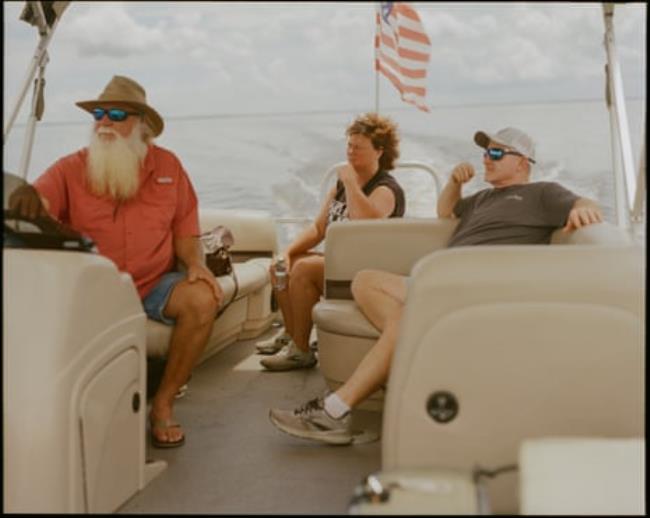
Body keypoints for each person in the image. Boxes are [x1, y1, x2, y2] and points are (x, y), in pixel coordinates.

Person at [268, 126, 604, 445]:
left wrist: (584, 211)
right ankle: (408, 334)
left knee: (393, 312)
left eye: (497, 152)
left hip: (473, 285)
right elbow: (446, 210)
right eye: (486, 151)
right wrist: (455, 183)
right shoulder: (483, 198)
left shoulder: (542, 193)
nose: (487, 157)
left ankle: (333, 411)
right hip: (443, 280)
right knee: (365, 280)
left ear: (522, 162)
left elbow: (583, 204)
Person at [8, 75, 223, 449]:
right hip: (95, 288)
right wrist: (26, 196)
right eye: (99, 114)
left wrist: (195, 265)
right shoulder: (70, 167)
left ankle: (163, 405)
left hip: (153, 284)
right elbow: (38, 202)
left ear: (142, 126)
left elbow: (185, 230)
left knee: (202, 299)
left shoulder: (170, 166)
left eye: (117, 114)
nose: (104, 121)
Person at [257, 113, 406, 371]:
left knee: (303, 270)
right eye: (349, 145)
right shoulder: (340, 184)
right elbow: (318, 228)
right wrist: (288, 252)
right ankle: (292, 334)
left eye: (358, 147)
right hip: (337, 265)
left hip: (361, 275)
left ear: (379, 151)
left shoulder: (386, 190)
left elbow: (362, 222)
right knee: (281, 266)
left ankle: (301, 351)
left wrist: (350, 181)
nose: (350, 152)